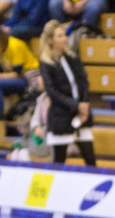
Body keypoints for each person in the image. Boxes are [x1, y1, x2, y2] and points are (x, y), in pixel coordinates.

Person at [35, 21, 95, 165]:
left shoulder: (72, 57)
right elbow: (52, 91)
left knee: (91, 160)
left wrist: (84, 104)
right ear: (51, 40)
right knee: (58, 163)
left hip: (81, 116)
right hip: (61, 116)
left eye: (65, 35)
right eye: (60, 36)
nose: (64, 39)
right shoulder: (46, 62)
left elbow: (84, 81)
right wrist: (76, 106)